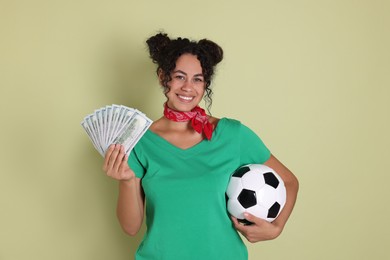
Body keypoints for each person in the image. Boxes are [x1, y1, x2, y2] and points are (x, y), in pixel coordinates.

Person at [103, 32, 299, 260]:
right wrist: (126, 181)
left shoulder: (232, 135)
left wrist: (276, 227)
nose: (188, 87)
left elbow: (289, 181)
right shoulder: (140, 141)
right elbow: (131, 227)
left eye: (197, 79)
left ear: (205, 84)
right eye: (179, 76)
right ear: (162, 76)